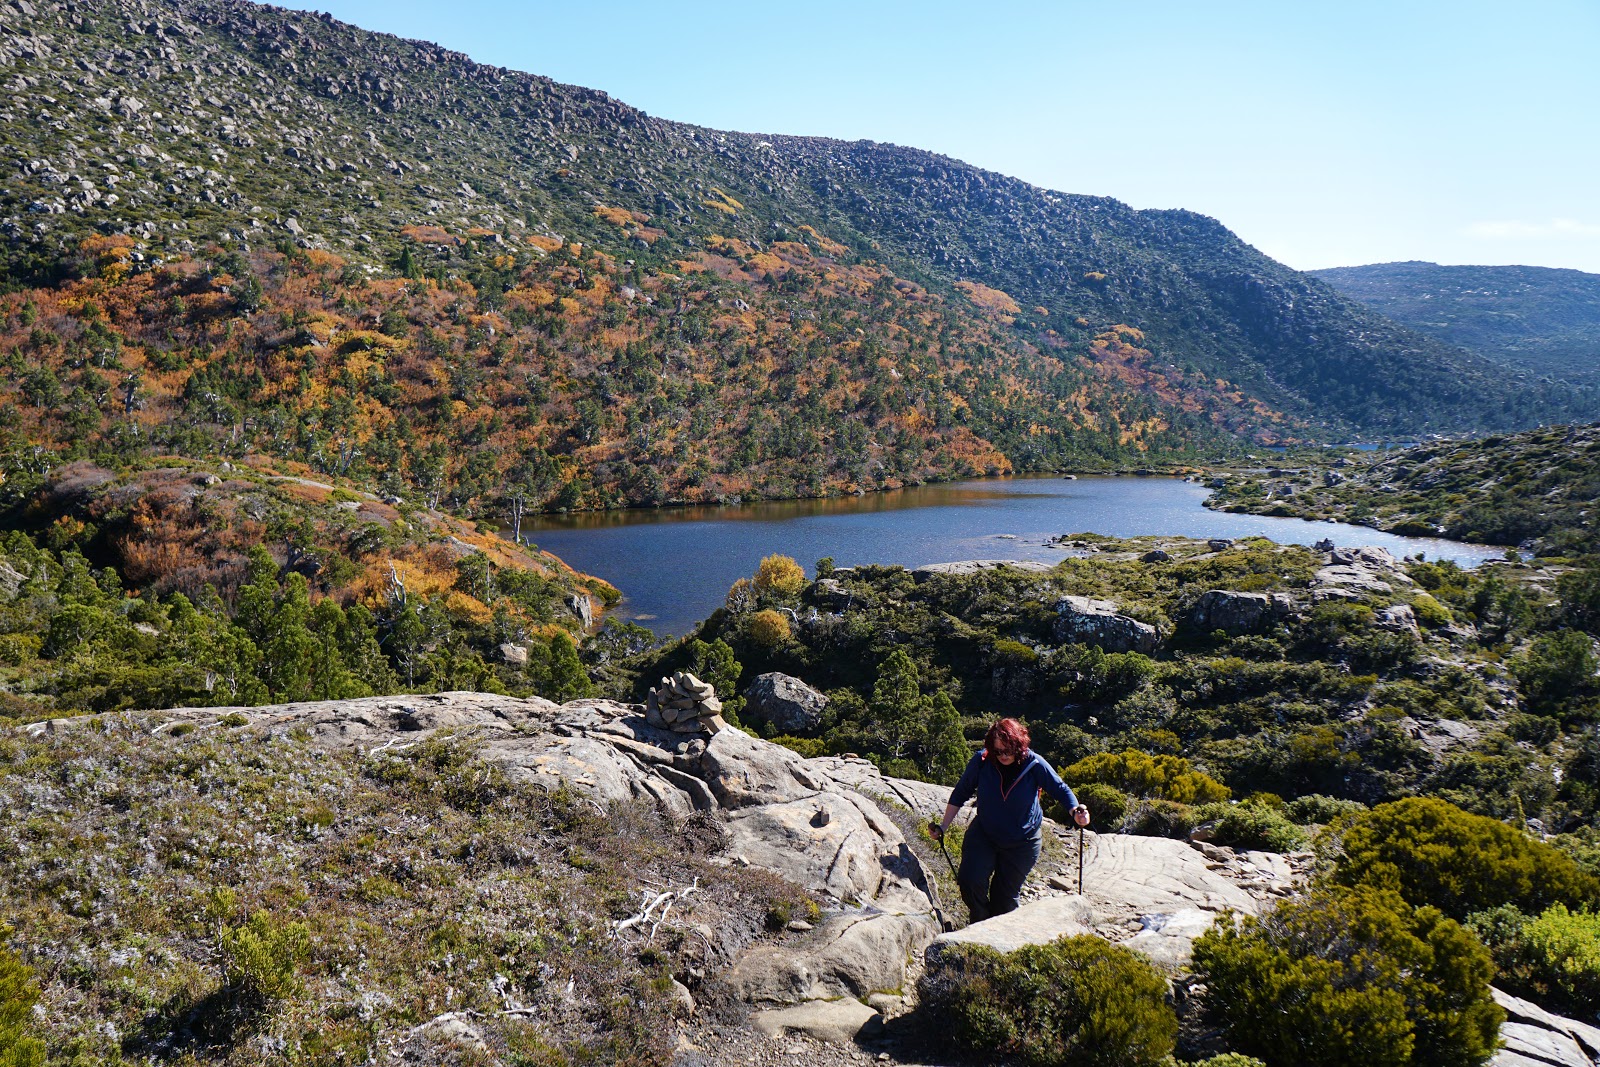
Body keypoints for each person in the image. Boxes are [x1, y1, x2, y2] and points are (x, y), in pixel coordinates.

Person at [933, 717, 1089, 922]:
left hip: (1023, 842)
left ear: (1019, 745)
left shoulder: (1034, 764)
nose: (1003, 756)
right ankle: (979, 924)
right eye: (997, 751)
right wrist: (944, 825)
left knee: (1004, 900)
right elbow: (961, 793)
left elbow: (1060, 789)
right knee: (970, 882)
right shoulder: (982, 762)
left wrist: (1076, 812)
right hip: (985, 833)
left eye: (1008, 750)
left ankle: (998, 938)